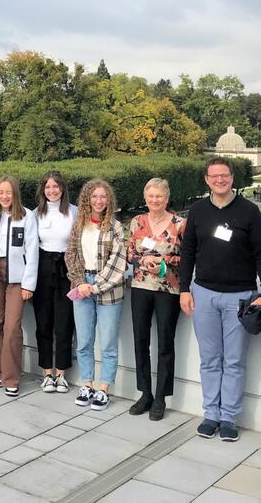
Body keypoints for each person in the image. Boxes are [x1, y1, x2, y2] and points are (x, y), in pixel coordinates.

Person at [180, 157, 261, 442]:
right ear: (206, 179)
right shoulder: (198, 211)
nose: (219, 180)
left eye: (224, 176)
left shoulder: (250, 212)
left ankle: (229, 418)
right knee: (210, 359)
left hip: (240, 296)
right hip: (204, 294)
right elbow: (187, 250)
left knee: (235, 361)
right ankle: (211, 414)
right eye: (214, 176)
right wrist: (184, 289)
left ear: (232, 178)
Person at [65, 179, 126, 412]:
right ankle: (87, 384)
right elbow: (71, 255)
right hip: (82, 287)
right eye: (94, 197)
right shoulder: (79, 225)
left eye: (103, 197)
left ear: (108, 199)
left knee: (108, 343)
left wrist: (96, 286)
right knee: (84, 341)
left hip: (108, 289)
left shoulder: (116, 227)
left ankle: (103, 388)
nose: (99, 201)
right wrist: (81, 283)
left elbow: (117, 262)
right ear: (87, 199)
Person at [127, 178, 185, 421]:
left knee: (165, 343)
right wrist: (142, 261)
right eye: (151, 196)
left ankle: (161, 396)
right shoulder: (137, 222)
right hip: (140, 286)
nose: (154, 200)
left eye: (159, 196)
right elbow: (130, 253)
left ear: (167, 198)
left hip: (168, 290)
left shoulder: (180, 224)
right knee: (140, 341)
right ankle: (145, 393)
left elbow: (187, 258)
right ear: (145, 198)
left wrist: (164, 262)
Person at [0, 176, 38, 397]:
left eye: (8, 192)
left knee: (12, 326)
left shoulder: (27, 216)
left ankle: (12, 377)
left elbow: (32, 251)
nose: (4, 196)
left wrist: (28, 283)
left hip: (17, 278)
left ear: (15, 194)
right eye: (1, 192)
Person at [33, 171, 78, 394]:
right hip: (42, 268)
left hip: (66, 269)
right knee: (43, 324)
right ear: (43, 189)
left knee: (65, 323)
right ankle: (47, 373)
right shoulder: (35, 214)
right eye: (48, 187)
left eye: (56, 186)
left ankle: (61, 373)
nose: (52, 191)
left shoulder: (74, 212)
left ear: (63, 188)